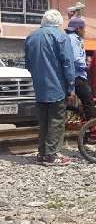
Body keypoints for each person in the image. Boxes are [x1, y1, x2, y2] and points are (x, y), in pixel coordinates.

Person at [25, 10, 76, 166]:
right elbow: (68, 63)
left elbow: (28, 64)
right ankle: (51, 156)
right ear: (59, 23)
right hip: (57, 86)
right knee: (56, 121)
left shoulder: (30, 38)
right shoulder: (61, 37)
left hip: (39, 87)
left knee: (44, 121)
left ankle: (42, 154)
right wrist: (71, 87)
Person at [64, 17, 95, 120]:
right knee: (88, 100)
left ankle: (81, 115)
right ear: (78, 29)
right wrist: (87, 68)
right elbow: (76, 59)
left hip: (72, 75)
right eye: (83, 29)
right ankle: (93, 129)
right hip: (77, 76)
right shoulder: (74, 39)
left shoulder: (68, 37)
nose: (84, 31)